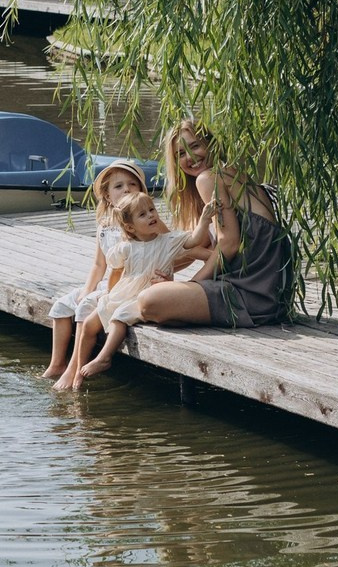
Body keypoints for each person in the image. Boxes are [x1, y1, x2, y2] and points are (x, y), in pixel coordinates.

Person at [136, 119, 292, 330]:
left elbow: (229, 245)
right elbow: (209, 249)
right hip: (270, 296)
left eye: (195, 146)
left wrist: (190, 285)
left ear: (211, 144)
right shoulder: (231, 173)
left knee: (148, 300)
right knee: (158, 306)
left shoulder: (208, 178)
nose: (190, 157)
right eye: (180, 154)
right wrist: (169, 272)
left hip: (248, 293)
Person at [72, 189, 214, 385]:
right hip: (124, 292)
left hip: (146, 296)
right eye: (143, 214)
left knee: (119, 318)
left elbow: (195, 240)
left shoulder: (168, 241)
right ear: (130, 228)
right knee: (89, 323)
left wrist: (205, 219)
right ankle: (79, 371)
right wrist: (109, 293)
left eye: (152, 210)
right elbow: (115, 271)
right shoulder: (126, 247)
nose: (151, 215)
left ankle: (104, 357)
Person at [43, 159, 148, 380]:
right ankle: (56, 364)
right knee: (62, 307)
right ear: (108, 195)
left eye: (132, 184)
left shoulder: (139, 223)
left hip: (125, 286)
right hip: (105, 282)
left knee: (84, 311)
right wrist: (86, 291)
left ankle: (74, 368)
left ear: (141, 190)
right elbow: (99, 265)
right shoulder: (105, 224)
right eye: (118, 186)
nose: (126, 189)